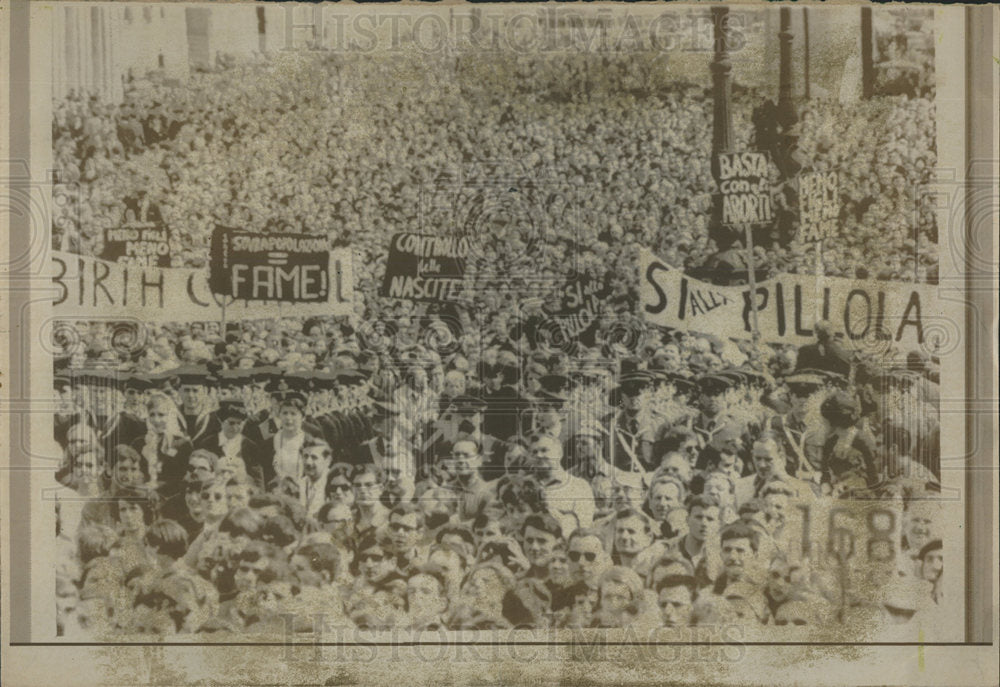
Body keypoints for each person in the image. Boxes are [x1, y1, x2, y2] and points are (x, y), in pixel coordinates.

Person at [527, 435, 595, 536]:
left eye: (544, 450)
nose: (539, 455)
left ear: (559, 453)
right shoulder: (523, 485)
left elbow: (584, 529)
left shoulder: (579, 487)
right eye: (534, 452)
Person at [195, 400, 264, 490]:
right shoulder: (208, 443)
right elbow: (200, 474)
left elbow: (257, 479)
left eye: (239, 423)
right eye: (231, 423)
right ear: (221, 422)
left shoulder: (250, 446)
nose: (235, 428)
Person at [298, 436, 333, 518]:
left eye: (314, 457)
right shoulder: (300, 483)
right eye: (305, 456)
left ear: (327, 461)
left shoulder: (333, 483)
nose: (308, 462)